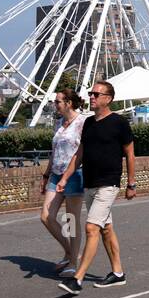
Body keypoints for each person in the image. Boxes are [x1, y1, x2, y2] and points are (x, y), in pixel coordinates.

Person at [55, 80, 135, 295]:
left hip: (108, 184)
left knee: (92, 228)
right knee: (106, 228)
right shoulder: (89, 123)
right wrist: (64, 178)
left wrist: (131, 183)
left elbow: (129, 154)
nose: (92, 97)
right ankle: (118, 273)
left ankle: (77, 278)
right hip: (89, 183)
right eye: (91, 93)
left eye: (97, 94)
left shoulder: (119, 122)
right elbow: (79, 154)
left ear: (108, 99)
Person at [42, 89, 87, 277]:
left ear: (68, 103)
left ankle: (73, 264)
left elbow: (83, 150)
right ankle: (70, 251)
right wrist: (46, 174)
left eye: (58, 101)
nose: (55, 104)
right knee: (46, 216)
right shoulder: (59, 123)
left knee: (71, 220)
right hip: (55, 174)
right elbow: (54, 151)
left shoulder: (82, 123)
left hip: (74, 174)